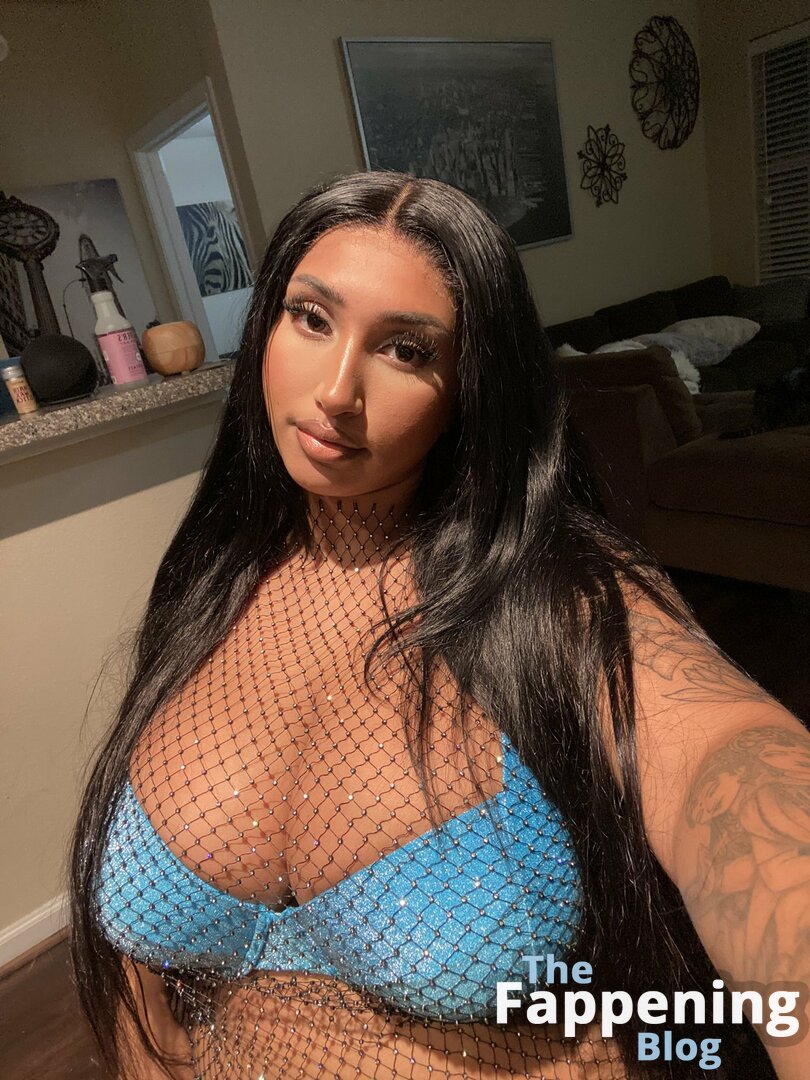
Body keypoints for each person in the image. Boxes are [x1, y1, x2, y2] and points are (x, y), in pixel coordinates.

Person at [70, 170, 809, 1080]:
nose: (336, 390)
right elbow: (140, 978)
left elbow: (725, 760)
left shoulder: (559, 597)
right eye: (312, 318)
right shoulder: (208, 582)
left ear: (471, 386)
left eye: (406, 349)